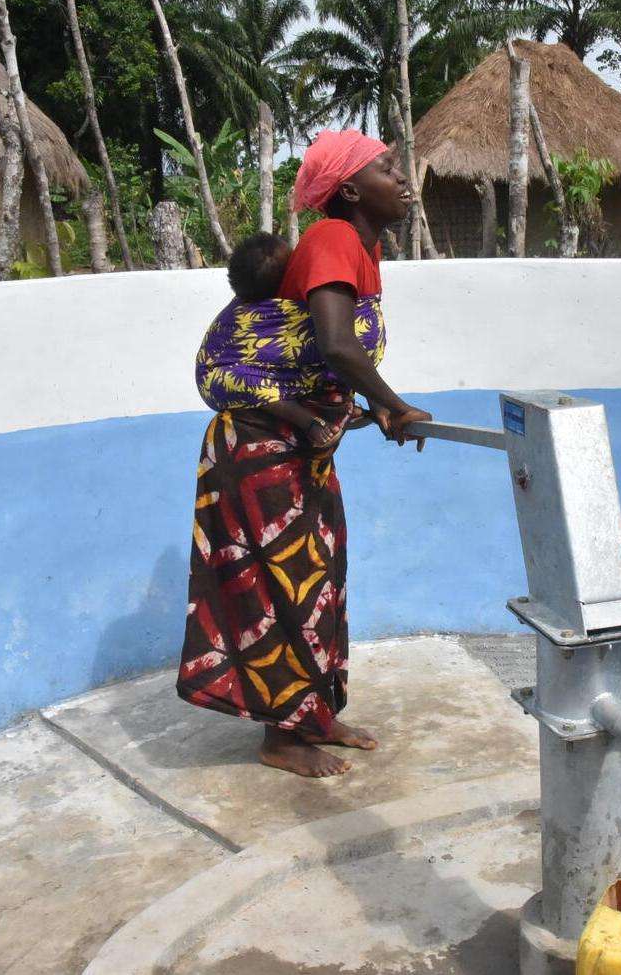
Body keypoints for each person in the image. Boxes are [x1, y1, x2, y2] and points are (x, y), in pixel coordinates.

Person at [176, 129, 433, 778]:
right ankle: (281, 737)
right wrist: (395, 403)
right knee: (282, 591)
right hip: (260, 454)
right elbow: (336, 344)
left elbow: (323, 362)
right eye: (387, 168)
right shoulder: (333, 239)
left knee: (320, 585)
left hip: (301, 455)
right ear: (349, 190)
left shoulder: (363, 250)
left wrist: (370, 405)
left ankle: (313, 714)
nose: (403, 178)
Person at [194, 231, 358, 448]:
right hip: (217, 375)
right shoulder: (260, 311)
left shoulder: (281, 303)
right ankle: (307, 420)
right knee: (252, 382)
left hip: (265, 371)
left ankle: (335, 405)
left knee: (320, 363)